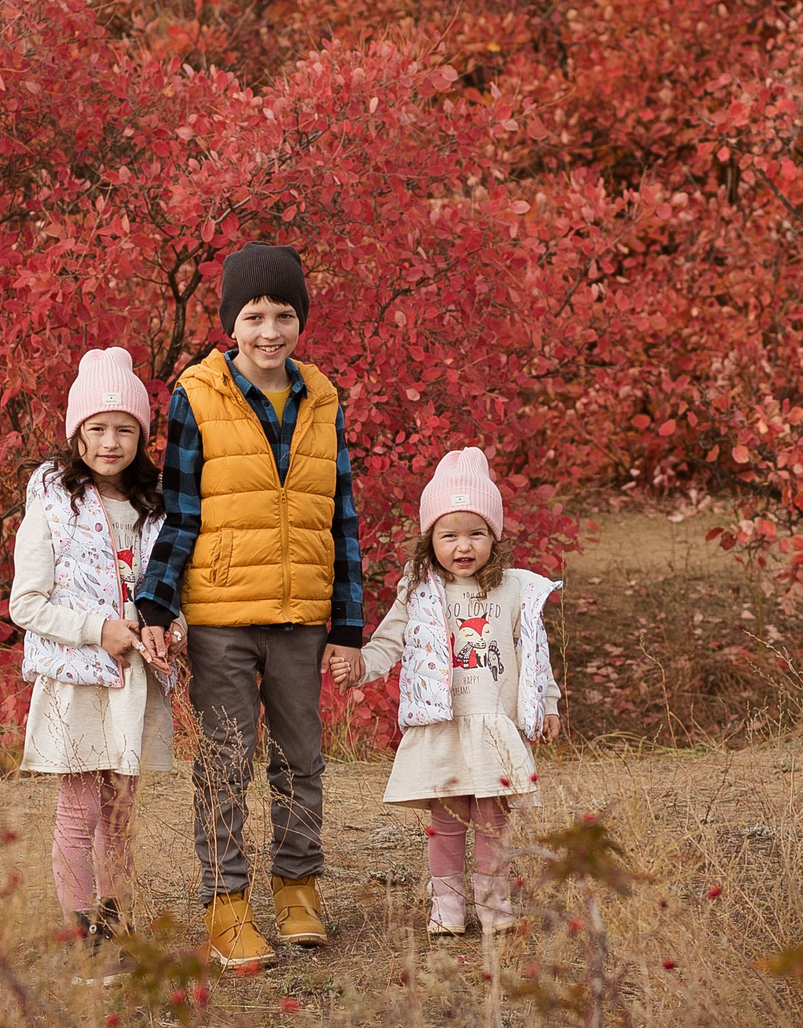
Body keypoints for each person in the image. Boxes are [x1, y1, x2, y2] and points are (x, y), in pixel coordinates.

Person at [133, 243, 364, 974]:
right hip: (223, 617)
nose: (270, 330)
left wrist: (350, 624)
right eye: (254, 315)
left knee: (301, 758)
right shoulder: (197, 394)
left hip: (300, 615)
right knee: (226, 763)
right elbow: (178, 511)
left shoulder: (321, 397)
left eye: (284, 314)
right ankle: (226, 903)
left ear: (301, 320)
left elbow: (342, 515)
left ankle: (297, 886)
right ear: (231, 321)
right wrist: (154, 605)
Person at [8, 347, 172, 986]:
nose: (111, 441)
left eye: (126, 428)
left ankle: (116, 922)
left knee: (121, 813)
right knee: (79, 811)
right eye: (98, 428)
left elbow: (163, 592)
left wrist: (168, 629)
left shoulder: (155, 508)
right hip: (77, 682)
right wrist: (97, 629)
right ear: (76, 433)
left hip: (132, 685)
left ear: (142, 436)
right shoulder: (53, 501)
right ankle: (80, 934)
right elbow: (27, 603)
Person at [357, 448, 562, 937]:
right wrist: (360, 666)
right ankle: (446, 908)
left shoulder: (513, 589)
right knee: (446, 820)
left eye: (476, 533)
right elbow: (391, 640)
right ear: (431, 541)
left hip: (493, 725)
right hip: (443, 724)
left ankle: (495, 907)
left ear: (494, 535)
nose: (463, 546)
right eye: (449, 535)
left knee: (493, 821)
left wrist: (549, 704)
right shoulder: (421, 589)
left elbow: (534, 653)